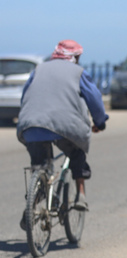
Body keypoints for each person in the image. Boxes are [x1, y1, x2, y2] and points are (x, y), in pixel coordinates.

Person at [17, 39, 108, 227]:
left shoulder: (39, 69)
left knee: (40, 164)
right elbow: (95, 99)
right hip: (65, 126)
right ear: (75, 57)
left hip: (31, 124)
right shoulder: (78, 73)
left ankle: (32, 206)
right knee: (76, 153)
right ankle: (80, 194)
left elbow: (26, 95)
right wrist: (99, 122)